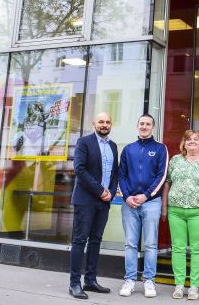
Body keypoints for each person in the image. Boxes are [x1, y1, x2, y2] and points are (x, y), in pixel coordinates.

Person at [161, 130, 199, 300]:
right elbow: (167, 184)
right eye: (188, 139)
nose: (192, 142)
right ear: (184, 144)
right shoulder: (175, 160)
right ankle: (179, 285)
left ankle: (194, 286)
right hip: (175, 211)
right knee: (177, 248)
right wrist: (164, 207)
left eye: (195, 139)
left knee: (197, 249)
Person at [69, 112, 119, 299]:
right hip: (86, 199)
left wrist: (111, 193)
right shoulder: (84, 142)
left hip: (104, 201)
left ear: (111, 124)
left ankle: (90, 281)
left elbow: (115, 173)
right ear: (94, 124)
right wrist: (100, 190)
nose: (104, 124)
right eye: (101, 121)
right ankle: (74, 283)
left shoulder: (113, 146)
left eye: (107, 121)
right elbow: (79, 170)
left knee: (96, 240)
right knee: (80, 240)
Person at [118, 114, 168, 298]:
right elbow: (121, 175)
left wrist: (146, 195)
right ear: (137, 126)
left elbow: (161, 176)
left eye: (148, 124)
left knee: (150, 244)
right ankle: (129, 280)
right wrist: (127, 196)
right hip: (129, 203)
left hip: (151, 203)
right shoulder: (128, 149)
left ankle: (149, 281)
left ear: (153, 128)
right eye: (141, 123)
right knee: (130, 243)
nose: (144, 126)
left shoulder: (160, 148)